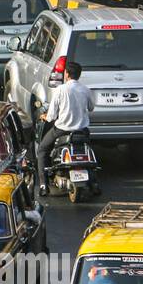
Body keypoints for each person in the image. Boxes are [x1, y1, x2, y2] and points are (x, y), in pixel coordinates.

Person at [36, 61, 93, 195]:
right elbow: (91, 107)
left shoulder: (60, 89)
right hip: (82, 130)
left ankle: (44, 185)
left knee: (42, 150)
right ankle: (93, 182)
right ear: (79, 75)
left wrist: (45, 117)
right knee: (88, 149)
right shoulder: (85, 89)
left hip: (62, 129)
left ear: (66, 74)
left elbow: (51, 115)